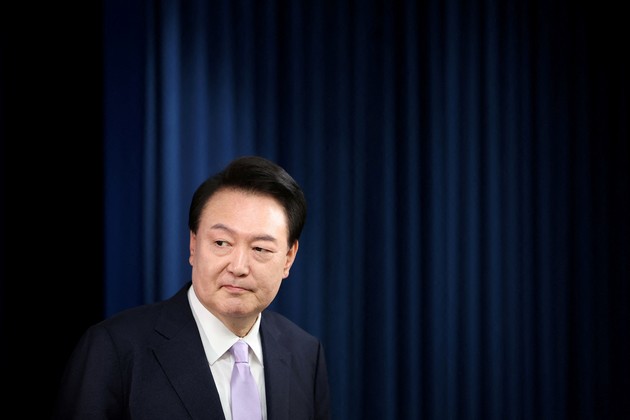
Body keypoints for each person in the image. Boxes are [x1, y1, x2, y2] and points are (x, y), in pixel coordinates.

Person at [53, 156, 331, 420]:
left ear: (288, 258)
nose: (238, 267)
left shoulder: (306, 354)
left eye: (260, 248)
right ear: (194, 245)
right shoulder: (114, 349)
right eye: (221, 243)